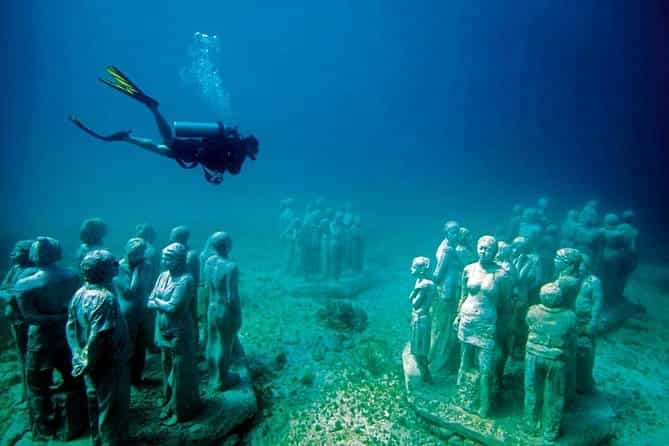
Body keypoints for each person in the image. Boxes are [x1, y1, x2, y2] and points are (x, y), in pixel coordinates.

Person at [70, 66, 259, 184]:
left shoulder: (235, 145)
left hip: (195, 152)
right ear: (249, 145)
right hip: (195, 150)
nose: (252, 155)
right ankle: (153, 108)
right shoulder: (239, 150)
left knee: (161, 149)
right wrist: (242, 156)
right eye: (253, 151)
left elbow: (221, 164)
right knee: (168, 142)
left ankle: (128, 138)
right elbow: (234, 171)